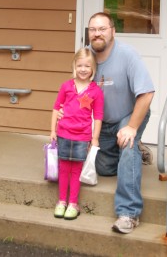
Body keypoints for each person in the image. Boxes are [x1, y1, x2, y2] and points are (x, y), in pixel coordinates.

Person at [87, 12, 154, 234]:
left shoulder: (127, 55)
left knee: (127, 144)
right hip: (103, 124)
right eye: (92, 30)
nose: (97, 33)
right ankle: (135, 153)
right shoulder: (86, 58)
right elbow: (78, 93)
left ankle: (129, 213)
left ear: (112, 32)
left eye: (102, 29)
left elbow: (146, 94)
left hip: (129, 114)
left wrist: (132, 127)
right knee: (102, 168)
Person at [50, 47, 104, 221]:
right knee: (64, 168)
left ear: (93, 69)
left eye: (87, 66)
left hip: (82, 137)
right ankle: (61, 202)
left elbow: (98, 117)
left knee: (76, 170)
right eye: (80, 65)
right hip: (64, 133)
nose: (83, 69)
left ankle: (73, 203)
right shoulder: (66, 86)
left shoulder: (96, 91)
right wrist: (52, 130)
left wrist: (95, 138)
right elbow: (56, 108)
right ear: (74, 65)